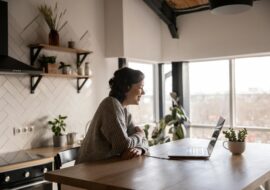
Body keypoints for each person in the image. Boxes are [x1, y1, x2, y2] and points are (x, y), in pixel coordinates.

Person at [76, 67, 149, 164]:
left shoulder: (124, 111)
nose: (143, 92)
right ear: (126, 87)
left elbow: (144, 141)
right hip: (86, 170)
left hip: (105, 167)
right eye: (140, 87)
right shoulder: (110, 104)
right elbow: (123, 146)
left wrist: (140, 149)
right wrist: (140, 134)